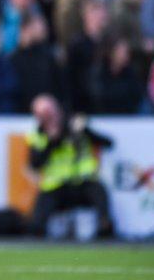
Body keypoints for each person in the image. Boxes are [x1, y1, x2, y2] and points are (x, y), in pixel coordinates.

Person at [26, 94, 113, 237]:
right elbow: (35, 164)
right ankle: (37, 231)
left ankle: (105, 225)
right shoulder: (38, 135)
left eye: (50, 113)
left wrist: (85, 130)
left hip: (82, 183)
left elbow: (108, 143)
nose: (49, 119)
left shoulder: (74, 125)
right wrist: (52, 142)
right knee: (38, 218)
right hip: (56, 187)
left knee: (99, 191)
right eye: (43, 115)